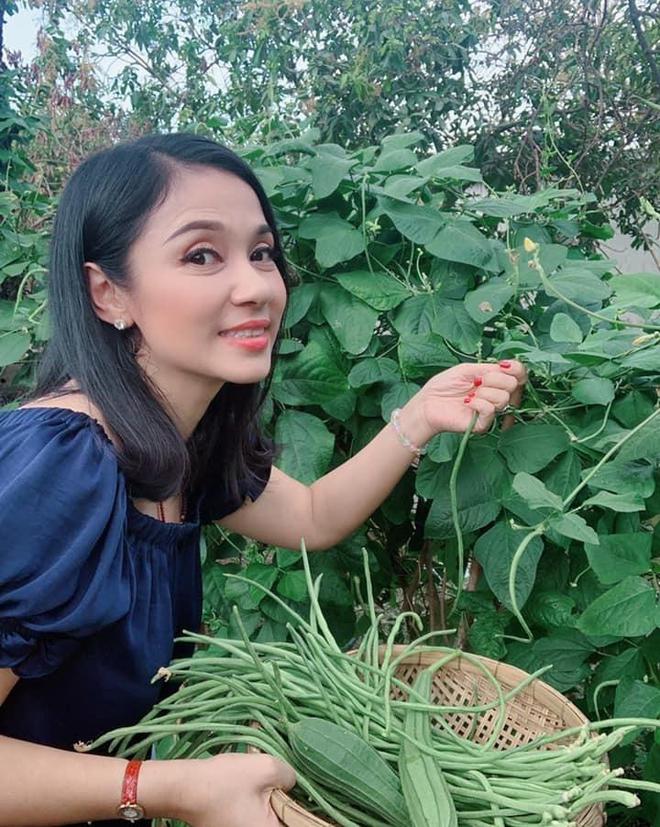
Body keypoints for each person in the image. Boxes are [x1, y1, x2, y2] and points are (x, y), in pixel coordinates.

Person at [0, 133, 527, 827]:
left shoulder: (177, 442)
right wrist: (169, 787)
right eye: (201, 255)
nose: (255, 287)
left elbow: (311, 516)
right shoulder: (63, 464)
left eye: (261, 253)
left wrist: (421, 416)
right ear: (108, 292)